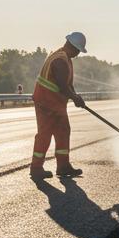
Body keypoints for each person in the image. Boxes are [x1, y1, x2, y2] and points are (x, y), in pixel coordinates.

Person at [30, 32, 87, 180]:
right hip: (46, 102)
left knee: (63, 131)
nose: (78, 54)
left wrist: (76, 96)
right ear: (72, 47)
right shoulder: (60, 61)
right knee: (45, 135)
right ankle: (36, 168)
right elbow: (63, 86)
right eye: (78, 50)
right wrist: (75, 98)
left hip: (56, 104)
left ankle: (63, 166)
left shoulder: (65, 57)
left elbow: (68, 84)